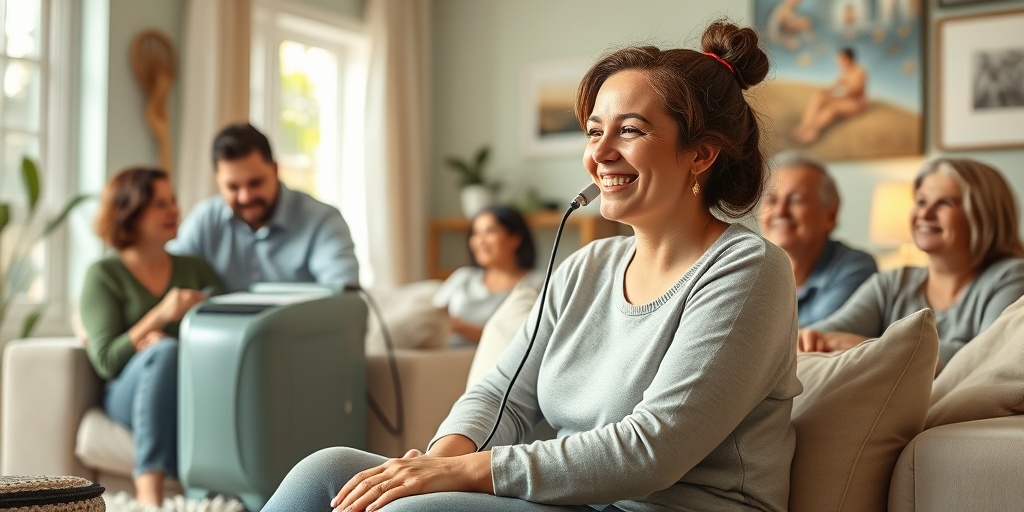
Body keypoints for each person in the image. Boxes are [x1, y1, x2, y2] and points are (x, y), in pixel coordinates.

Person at [265, 20, 801, 512]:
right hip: (574, 503)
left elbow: (652, 449)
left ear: (701, 154)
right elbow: (501, 396)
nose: (601, 153)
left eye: (631, 131)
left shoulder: (749, 271)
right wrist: (438, 462)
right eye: (594, 131)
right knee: (326, 470)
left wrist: (469, 472)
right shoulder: (585, 267)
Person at [80, 167, 223, 506]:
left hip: (189, 391)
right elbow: (105, 362)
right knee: (163, 352)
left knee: (168, 350)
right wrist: (159, 317)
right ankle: (149, 495)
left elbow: (226, 329)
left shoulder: (195, 269)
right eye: (161, 204)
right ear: (130, 212)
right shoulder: (103, 275)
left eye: (173, 200)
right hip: (127, 393)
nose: (174, 210)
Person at [799, 158, 1024, 368]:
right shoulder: (891, 284)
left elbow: (988, 360)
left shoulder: (1011, 276)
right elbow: (823, 336)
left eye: (944, 203)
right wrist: (812, 339)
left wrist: (861, 346)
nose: (925, 213)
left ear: (983, 214)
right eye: (921, 201)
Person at [167, 122, 359, 293]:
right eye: (233, 187)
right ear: (218, 182)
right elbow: (167, 274)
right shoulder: (205, 219)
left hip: (299, 332)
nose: (245, 197)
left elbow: (343, 297)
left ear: (275, 170)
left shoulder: (322, 221)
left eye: (255, 183)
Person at [760, 153, 877, 327]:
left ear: (829, 216)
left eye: (796, 200)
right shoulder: (750, 268)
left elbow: (816, 341)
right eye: (771, 199)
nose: (780, 212)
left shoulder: (855, 267)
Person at [432, 204, 542, 347]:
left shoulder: (538, 283)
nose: (480, 241)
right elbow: (432, 316)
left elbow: (530, 337)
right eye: (475, 233)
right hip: (440, 357)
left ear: (514, 238)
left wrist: (463, 329)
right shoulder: (463, 276)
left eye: (490, 232)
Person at [791, 48, 868, 145]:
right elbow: (836, 85)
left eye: (840, 59)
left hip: (857, 104)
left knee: (832, 107)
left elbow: (856, 90)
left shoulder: (859, 71)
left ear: (847, 58)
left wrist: (840, 94)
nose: (839, 62)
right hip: (846, 99)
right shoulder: (845, 71)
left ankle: (812, 132)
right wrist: (826, 91)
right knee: (819, 97)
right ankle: (804, 126)